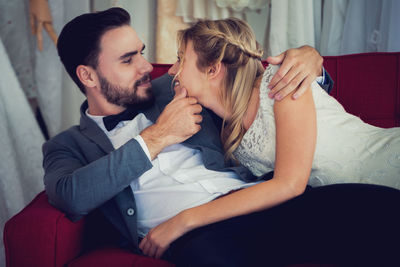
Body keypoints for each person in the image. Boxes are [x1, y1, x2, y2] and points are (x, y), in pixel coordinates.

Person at [44, 7, 399, 267]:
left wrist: (311, 60)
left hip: (259, 200)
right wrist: (156, 137)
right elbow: (71, 196)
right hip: (199, 237)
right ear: (88, 76)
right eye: (127, 60)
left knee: (376, 209)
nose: (147, 67)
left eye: (142, 52)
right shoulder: (67, 146)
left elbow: (247, 79)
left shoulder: (175, 86)